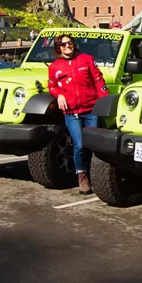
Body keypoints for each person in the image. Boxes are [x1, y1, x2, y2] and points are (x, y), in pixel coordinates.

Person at [47, 34, 109, 195]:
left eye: (70, 43)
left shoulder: (86, 59)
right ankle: (82, 176)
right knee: (79, 144)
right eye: (63, 44)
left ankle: (96, 175)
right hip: (72, 112)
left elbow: (98, 79)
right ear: (58, 48)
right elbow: (52, 85)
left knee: (94, 145)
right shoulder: (54, 67)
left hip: (91, 109)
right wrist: (59, 95)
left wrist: (103, 101)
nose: (67, 46)